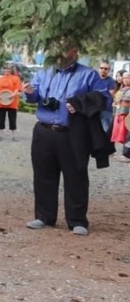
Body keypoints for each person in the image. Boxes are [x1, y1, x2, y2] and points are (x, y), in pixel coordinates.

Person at [22, 47, 111, 236]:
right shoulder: (44, 72)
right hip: (44, 132)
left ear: (75, 50)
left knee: (76, 176)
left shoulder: (88, 75)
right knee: (43, 175)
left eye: (66, 46)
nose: (60, 50)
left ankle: (77, 220)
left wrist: (79, 103)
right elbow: (33, 96)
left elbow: (103, 99)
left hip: (73, 133)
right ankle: (44, 216)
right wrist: (29, 92)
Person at [0, 64, 23, 141]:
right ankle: (0, 135)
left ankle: (14, 136)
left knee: (13, 119)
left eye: (9, 69)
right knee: (1, 119)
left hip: (12, 102)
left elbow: (17, 89)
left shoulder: (16, 78)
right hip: (1, 102)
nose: (7, 70)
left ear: (11, 70)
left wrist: (13, 95)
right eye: (5, 69)